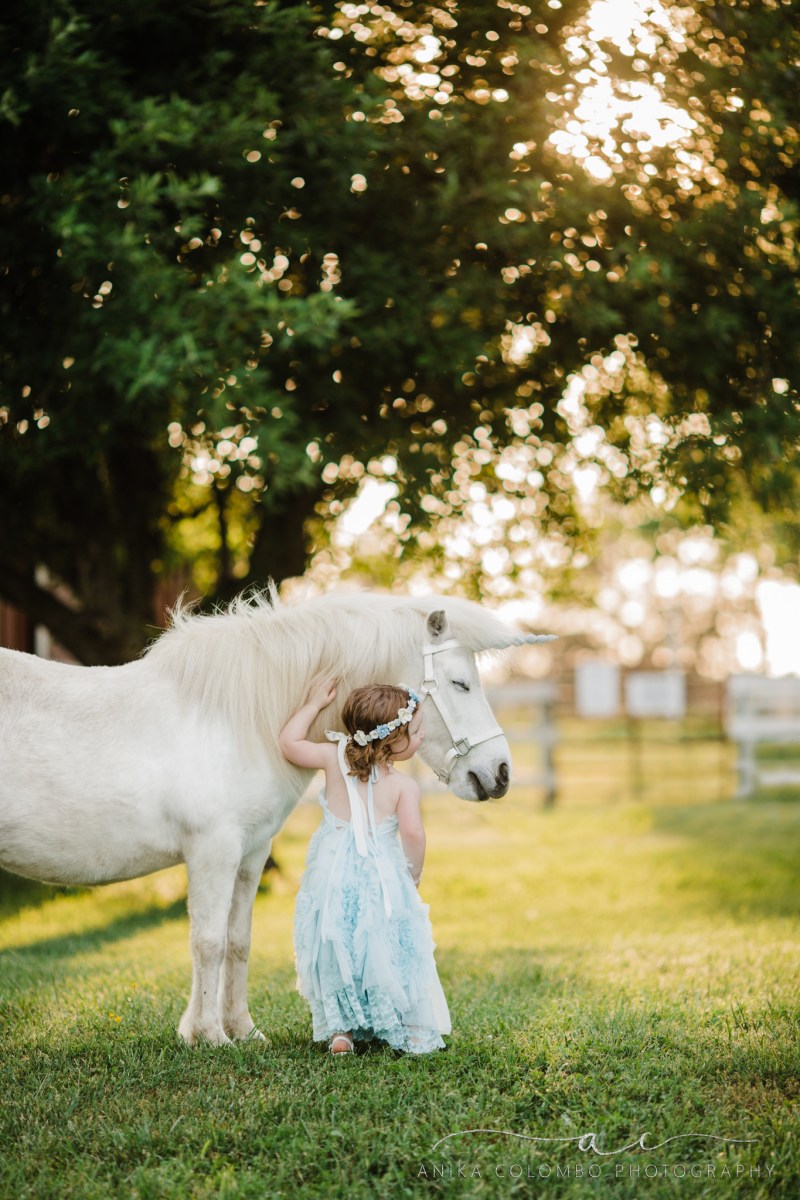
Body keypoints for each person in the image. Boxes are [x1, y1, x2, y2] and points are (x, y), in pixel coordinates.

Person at [279, 675, 451, 1056]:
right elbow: (414, 834)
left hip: (333, 872)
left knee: (337, 941)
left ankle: (342, 1030)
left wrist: (311, 705)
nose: (420, 737)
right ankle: (407, 1026)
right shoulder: (404, 787)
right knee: (387, 943)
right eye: (416, 731)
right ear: (393, 740)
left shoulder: (332, 756)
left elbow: (289, 744)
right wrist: (413, 874)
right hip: (381, 875)